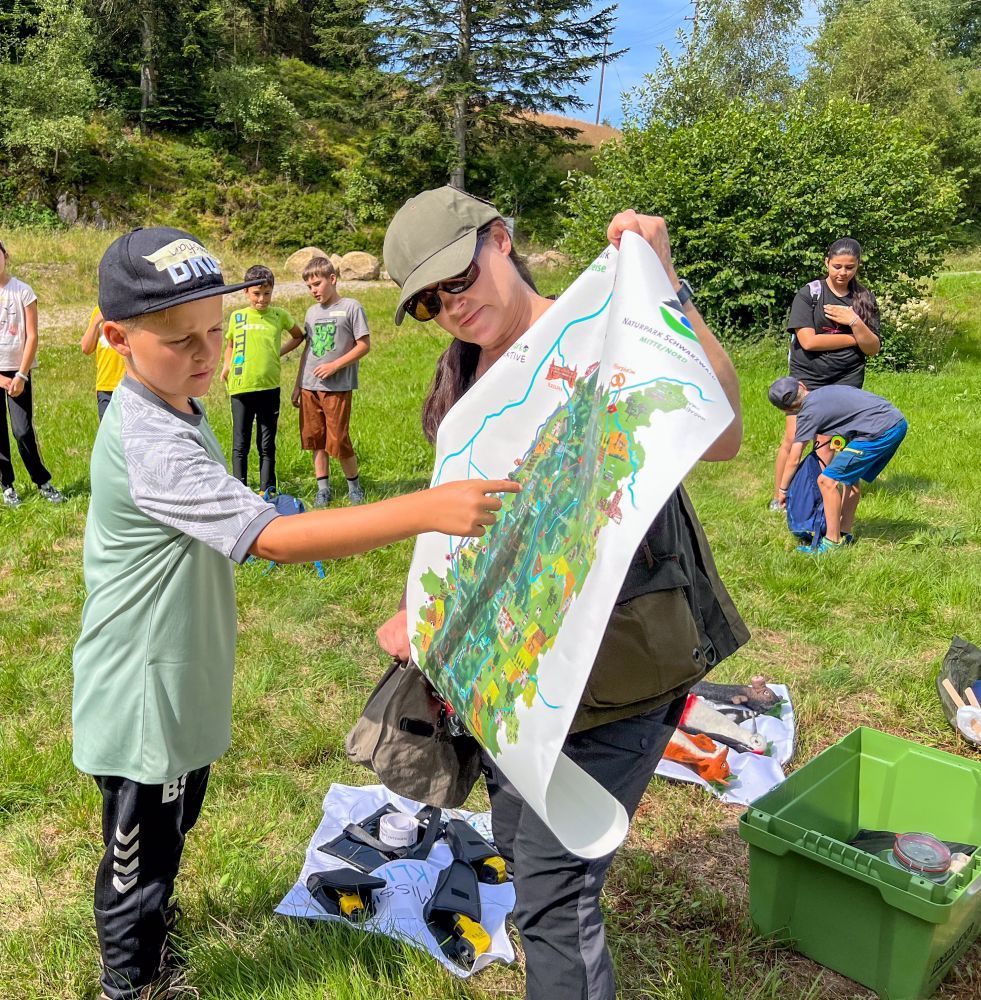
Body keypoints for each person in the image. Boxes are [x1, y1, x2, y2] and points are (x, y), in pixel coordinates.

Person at [73, 225, 518, 1000]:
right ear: (117, 337)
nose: (208, 354)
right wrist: (424, 509)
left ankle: (153, 927)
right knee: (136, 860)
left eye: (216, 330)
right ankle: (132, 982)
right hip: (142, 694)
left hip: (182, 678)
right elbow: (273, 543)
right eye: (183, 340)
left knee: (172, 833)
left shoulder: (173, 400)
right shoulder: (148, 435)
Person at [375, 187, 749, 1000]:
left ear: (500, 240)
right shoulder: (460, 380)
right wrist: (426, 603)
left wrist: (667, 281)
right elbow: (464, 518)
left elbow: (721, 435)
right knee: (516, 840)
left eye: (459, 278)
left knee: (553, 896)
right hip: (513, 677)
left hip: (622, 668)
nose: (452, 306)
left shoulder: (608, 324)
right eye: (430, 301)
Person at [771, 237, 881, 511]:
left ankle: (819, 496)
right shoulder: (810, 294)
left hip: (846, 378)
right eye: (837, 266)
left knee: (829, 442)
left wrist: (854, 321)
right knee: (794, 438)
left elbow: (873, 348)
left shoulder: (863, 299)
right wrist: (854, 337)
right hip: (808, 377)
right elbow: (809, 341)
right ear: (827, 263)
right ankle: (780, 498)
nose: (843, 273)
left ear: (858, 266)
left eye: (850, 267)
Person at [769, 376, 907, 553]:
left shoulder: (807, 414)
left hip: (878, 432)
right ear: (802, 385)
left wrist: (782, 492)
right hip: (895, 421)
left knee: (826, 481)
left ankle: (831, 543)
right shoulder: (826, 391)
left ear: (787, 410)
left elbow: (794, 458)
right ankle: (844, 531)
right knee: (850, 480)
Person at [219, 264, 304, 493]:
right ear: (246, 292)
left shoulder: (279, 315)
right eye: (256, 293)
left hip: (269, 388)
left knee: (266, 443)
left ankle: (269, 490)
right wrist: (227, 366)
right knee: (241, 443)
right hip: (241, 388)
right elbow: (230, 344)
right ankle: (240, 490)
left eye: (267, 293)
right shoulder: (237, 317)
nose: (262, 299)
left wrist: (278, 352)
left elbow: (298, 336)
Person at [294, 257, 370, 506]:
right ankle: (323, 489)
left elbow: (363, 345)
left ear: (333, 279)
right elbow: (308, 349)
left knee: (338, 438)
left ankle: (354, 487)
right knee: (316, 439)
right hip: (309, 386)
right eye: (309, 287)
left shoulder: (351, 307)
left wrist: (335, 365)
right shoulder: (311, 312)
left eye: (317, 284)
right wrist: (298, 385)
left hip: (337, 386)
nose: (314, 290)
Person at [0, 236, 64, 507]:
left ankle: (42, 481)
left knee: (22, 431)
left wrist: (21, 375)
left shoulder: (23, 291)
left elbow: (33, 336)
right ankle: (7, 485)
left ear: (6, 255)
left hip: (19, 372)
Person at [80, 306, 126, 421]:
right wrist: (96, 321)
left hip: (129, 385)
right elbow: (86, 348)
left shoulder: (129, 307)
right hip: (106, 386)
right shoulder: (98, 312)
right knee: (109, 435)